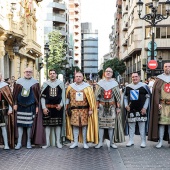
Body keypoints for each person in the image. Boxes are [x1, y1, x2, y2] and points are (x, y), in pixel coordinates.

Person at [13, 67, 45, 149]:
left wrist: (37, 106)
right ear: (24, 72)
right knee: (20, 124)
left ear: (32, 73)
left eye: (30, 72)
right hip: (20, 106)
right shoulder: (18, 82)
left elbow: (38, 96)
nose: (28, 73)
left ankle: (28, 142)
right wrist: (15, 104)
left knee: (29, 125)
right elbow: (15, 94)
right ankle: (19, 142)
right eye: (26, 71)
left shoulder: (35, 83)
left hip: (31, 107)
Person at [66, 72, 98, 149]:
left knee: (84, 126)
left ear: (82, 77)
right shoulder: (70, 87)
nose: (78, 78)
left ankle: (84, 142)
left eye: (80, 76)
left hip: (84, 110)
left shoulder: (87, 87)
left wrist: (90, 109)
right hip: (74, 110)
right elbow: (67, 98)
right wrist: (66, 108)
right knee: (75, 126)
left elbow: (91, 100)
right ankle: (75, 142)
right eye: (76, 76)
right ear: (74, 77)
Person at [95, 67, 123, 149]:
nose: (108, 73)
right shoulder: (100, 83)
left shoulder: (115, 83)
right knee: (101, 125)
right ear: (104, 73)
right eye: (107, 71)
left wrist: (118, 108)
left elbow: (117, 97)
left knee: (111, 126)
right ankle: (100, 142)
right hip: (101, 107)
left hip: (112, 107)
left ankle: (111, 142)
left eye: (110, 71)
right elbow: (96, 96)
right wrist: (96, 107)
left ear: (112, 73)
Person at [124, 72, 151, 148]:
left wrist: (145, 108)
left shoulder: (144, 86)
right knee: (131, 126)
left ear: (139, 77)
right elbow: (125, 97)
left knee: (142, 126)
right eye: (133, 77)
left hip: (141, 109)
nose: (134, 78)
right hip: (131, 109)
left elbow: (148, 97)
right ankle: (131, 140)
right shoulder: (128, 87)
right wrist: (126, 106)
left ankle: (143, 141)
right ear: (131, 78)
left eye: (136, 76)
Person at [41, 69, 65, 149]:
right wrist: (44, 107)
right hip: (48, 108)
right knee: (47, 125)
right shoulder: (45, 84)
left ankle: (58, 142)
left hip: (58, 108)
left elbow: (63, 96)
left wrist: (61, 105)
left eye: (53, 73)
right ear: (49, 75)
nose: (52, 75)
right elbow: (42, 97)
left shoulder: (60, 84)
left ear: (56, 74)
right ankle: (47, 143)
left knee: (58, 125)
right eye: (50, 73)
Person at [148, 63, 170, 148]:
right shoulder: (159, 79)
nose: (167, 68)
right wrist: (158, 103)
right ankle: (160, 142)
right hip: (162, 105)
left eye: (169, 66)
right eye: (166, 66)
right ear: (163, 68)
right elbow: (156, 93)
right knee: (162, 123)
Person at [0, 73, 14, 149]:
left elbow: (9, 98)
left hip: (3, 109)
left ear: (1, 77)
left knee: (3, 127)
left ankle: (6, 144)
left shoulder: (4, 85)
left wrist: (10, 109)